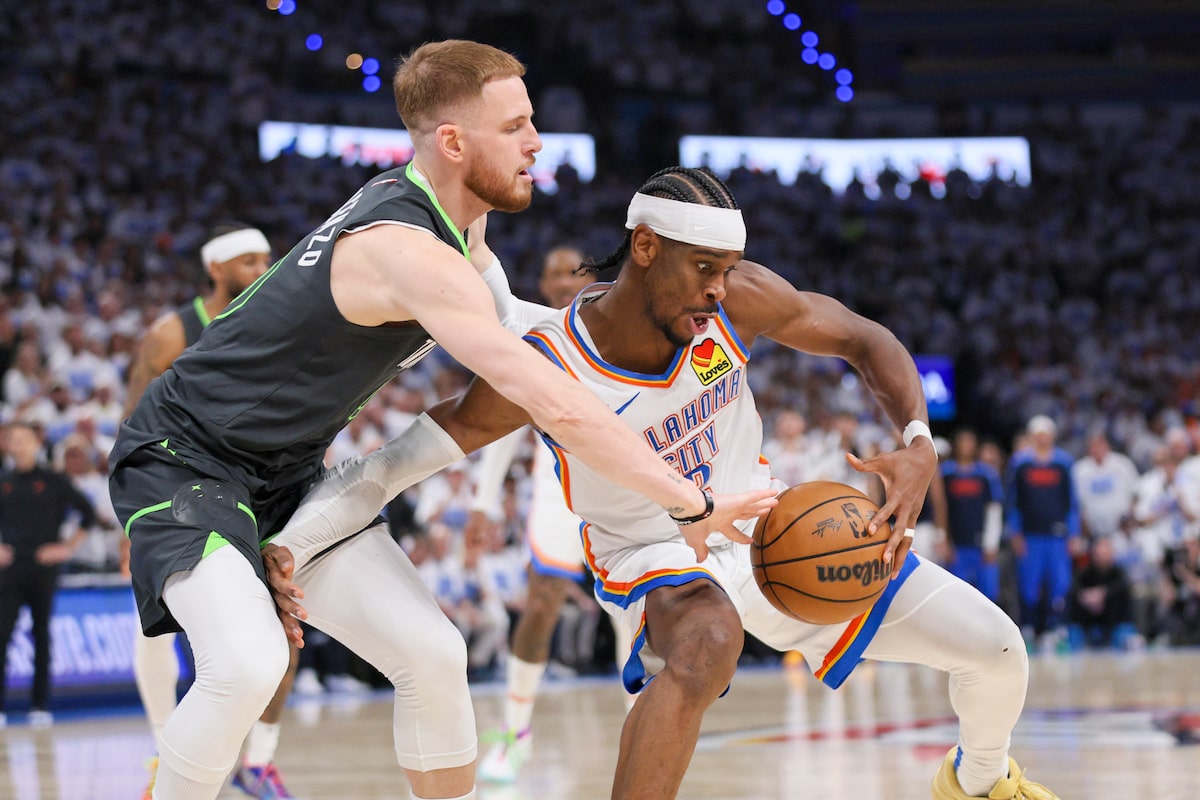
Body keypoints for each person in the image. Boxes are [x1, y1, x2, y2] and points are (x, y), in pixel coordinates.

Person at [266, 166, 1060, 800]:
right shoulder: (548, 365)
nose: (719, 287)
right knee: (708, 641)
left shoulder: (734, 303)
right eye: (704, 268)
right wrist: (292, 543)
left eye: (728, 270)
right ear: (645, 247)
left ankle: (979, 784)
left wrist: (919, 440)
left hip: (767, 529)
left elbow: (865, 340)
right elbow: (393, 464)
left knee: (998, 652)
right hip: (653, 550)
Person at [108, 42, 771, 800]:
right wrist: (691, 503)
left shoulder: (459, 227)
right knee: (248, 664)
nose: (537, 142)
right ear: (453, 142)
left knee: (434, 654)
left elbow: (529, 328)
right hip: (184, 458)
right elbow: (553, 396)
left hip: (284, 474)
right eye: (515, 126)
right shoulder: (408, 252)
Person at [119, 223, 302, 800]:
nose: (262, 270)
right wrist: (128, 516)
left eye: (266, 259)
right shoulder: (173, 333)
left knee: (285, 622)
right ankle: (164, 748)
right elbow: (133, 425)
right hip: (180, 487)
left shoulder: (279, 319)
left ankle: (259, 762)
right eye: (248, 261)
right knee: (158, 625)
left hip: (258, 485)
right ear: (216, 269)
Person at [462, 245, 634, 782]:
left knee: (632, 614)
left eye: (572, 272)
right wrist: (484, 502)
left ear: (591, 277)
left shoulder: (621, 330)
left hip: (621, 487)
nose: (563, 281)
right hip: (558, 488)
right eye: (553, 273)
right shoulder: (532, 338)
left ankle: (639, 732)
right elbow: (503, 424)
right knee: (540, 605)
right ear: (540, 283)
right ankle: (516, 734)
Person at [0, 421, 97, 729]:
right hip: (10, 568)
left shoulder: (53, 479)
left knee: (41, 634)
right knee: (2, 634)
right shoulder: (4, 480)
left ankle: (39, 705)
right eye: (14, 439)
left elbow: (89, 512)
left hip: (43, 568)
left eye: (24, 438)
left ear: (36, 443)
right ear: (7, 445)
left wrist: (66, 548)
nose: (19, 444)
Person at [1005, 415, 1080, 651]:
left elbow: (1071, 501)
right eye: (1038, 435)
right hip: (1030, 535)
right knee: (1029, 584)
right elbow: (1013, 501)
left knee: (1060, 583)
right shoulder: (1020, 464)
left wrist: (1073, 533)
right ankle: (1029, 628)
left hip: (1057, 536)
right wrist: (1015, 532)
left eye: (1045, 435)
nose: (1042, 439)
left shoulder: (1063, 463)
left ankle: (1058, 629)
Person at [942, 428, 1005, 603]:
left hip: (981, 545)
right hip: (956, 545)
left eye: (969, 441)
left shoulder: (986, 475)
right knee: (956, 596)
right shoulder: (946, 474)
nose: (966, 446)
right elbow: (941, 509)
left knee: (988, 595)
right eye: (962, 441)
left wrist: (991, 544)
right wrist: (944, 540)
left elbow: (994, 510)